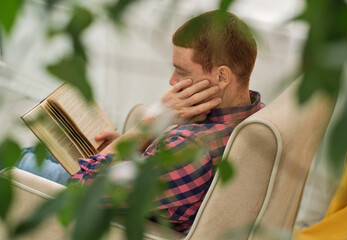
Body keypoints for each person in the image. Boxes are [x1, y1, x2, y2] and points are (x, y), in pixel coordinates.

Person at [18, 10, 263, 231]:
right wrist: (132, 144)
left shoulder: (191, 146)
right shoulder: (257, 113)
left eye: (182, 71)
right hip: (139, 185)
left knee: (19, 158)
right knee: (46, 152)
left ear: (222, 76)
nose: (172, 81)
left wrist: (150, 123)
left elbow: (83, 186)